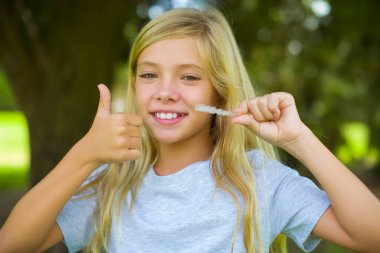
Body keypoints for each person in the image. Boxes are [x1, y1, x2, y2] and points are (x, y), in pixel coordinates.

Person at [0, 6, 379, 253]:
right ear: (134, 86)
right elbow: (13, 244)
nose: (165, 92)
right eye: (150, 75)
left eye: (189, 77)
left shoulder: (260, 183)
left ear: (221, 90)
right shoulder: (111, 183)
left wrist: (300, 139)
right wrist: (84, 155)